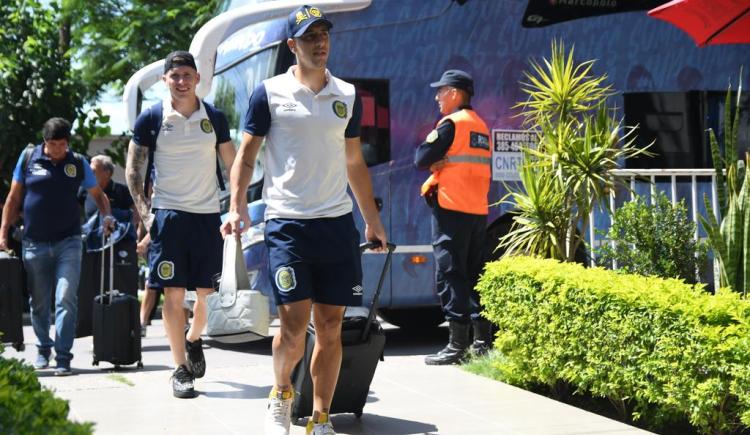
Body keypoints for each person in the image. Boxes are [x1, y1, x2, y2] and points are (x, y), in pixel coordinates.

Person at [220, 6, 387, 435]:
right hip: (287, 225)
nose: (320, 43)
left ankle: (321, 418)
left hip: (335, 226)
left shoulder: (346, 95)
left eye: (324, 35)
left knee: (330, 327)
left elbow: (354, 162)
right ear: (293, 45)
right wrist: (237, 207)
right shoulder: (269, 93)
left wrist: (371, 220)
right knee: (293, 328)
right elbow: (246, 156)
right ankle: (280, 393)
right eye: (310, 37)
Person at [125, 50, 236, 398]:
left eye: (187, 75)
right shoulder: (152, 118)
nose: (181, 81)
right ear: (165, 81)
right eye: (175, 76)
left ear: (198, 78)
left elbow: (234, 166)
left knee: (208, 295)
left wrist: (236, 208)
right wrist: (147, 215)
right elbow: (133, 171)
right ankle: (179, 370)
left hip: (207, 217)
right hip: (168, 216)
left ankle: (193, 338)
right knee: (172, 294)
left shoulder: (214, 117)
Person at [0, 117, 114, 376]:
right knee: (39, 302)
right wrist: (3, 233)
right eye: (52, 144)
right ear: (45, 142)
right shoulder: (29, 158)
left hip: (69, 242)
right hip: (34, 243)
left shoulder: (77, 163)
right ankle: (43, 349)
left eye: (62, 144)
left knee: (65, 297)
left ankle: (63, 356)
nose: (57, 149)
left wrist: (107, 215)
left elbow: (99, 195)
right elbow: (14, 197)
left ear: (68, 142)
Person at [415, 69, 494, 365]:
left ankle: (456, 346)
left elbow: (420, 158)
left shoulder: (451, 124)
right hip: (477, 211)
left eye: (441, 91)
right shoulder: (481, 126)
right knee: (474, 274)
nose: (437, 96)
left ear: (455, 93)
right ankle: (482, 342)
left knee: (451, 274)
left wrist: (435, 162)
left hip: (451, 209)